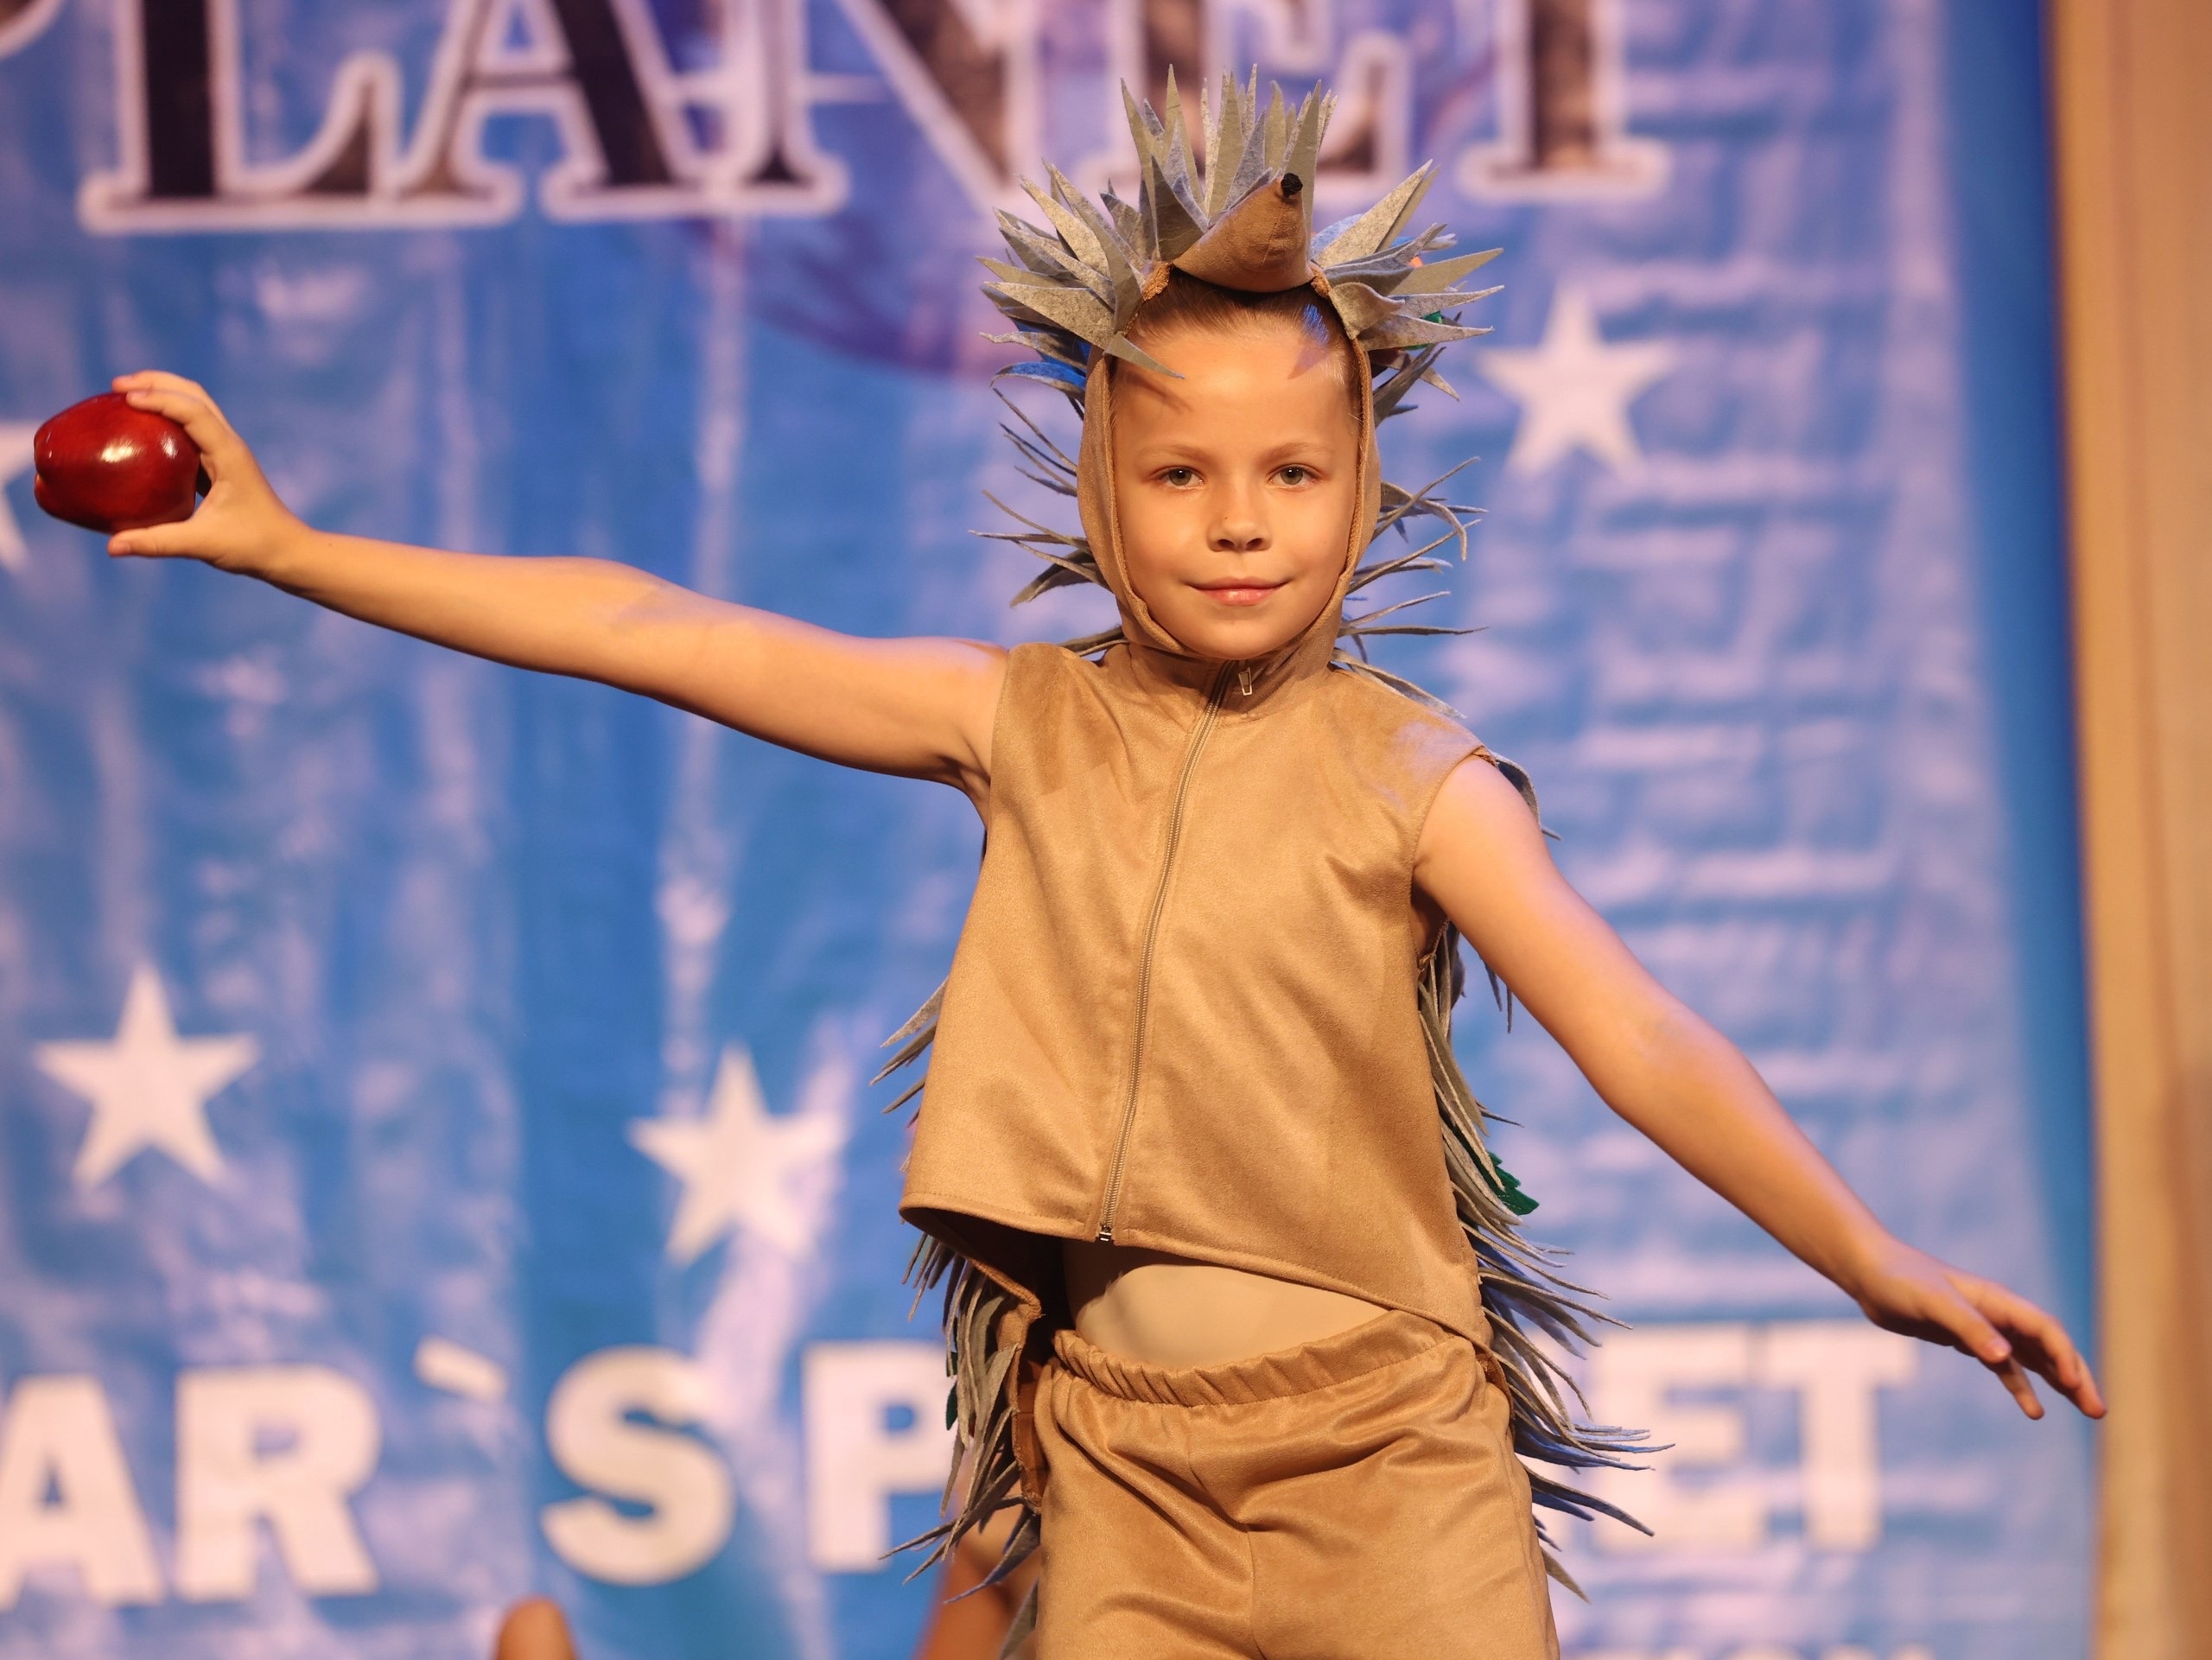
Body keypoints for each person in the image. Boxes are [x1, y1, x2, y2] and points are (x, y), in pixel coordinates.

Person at [105, 72, 2101, 1660]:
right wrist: (292, 545)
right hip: (1124, 1480)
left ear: (1361, 491)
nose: (1237, 521)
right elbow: (650, 623)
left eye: (1291, 473)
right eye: (1178, 474)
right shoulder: (1014, 722)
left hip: (1389, 1472)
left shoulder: (1411, 777)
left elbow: (1635, 1030)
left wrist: (1869, 1257)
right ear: (1099, 488)